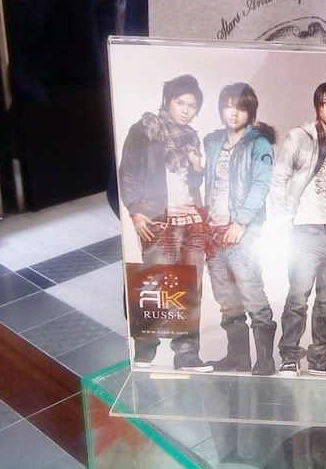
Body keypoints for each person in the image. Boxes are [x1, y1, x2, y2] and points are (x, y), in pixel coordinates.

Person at [118, 74, 210, 371]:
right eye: (180, 103)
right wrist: (135, 210)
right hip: (160, 219)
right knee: (154, 286)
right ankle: (145, 353)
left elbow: (190, 182)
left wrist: (197, 168)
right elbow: (127, 171)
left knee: (190, 290)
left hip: (192, 219)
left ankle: (186, 355)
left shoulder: (192, 138)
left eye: (192, 106)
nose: (186, 110)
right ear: (167, 101)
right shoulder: (145, 130)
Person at [270, 80, 326, 377]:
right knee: (298, 297)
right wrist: (283, 221)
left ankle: (321, 358)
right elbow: (279, 178)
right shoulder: (300, 137)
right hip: (306, 229)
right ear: (317, 107)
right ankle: (289, 356)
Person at [204, 83, 277, 376]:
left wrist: (241, 222)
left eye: (241, 108)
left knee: (251, 292)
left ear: (250, 112)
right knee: (226, 299)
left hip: (243, 232)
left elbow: (261, 185)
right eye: (229, 106)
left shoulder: (259, 144)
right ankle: (238, 357)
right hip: (213, 231)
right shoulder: (212, 142)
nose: (234, 113)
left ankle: (265, 360)